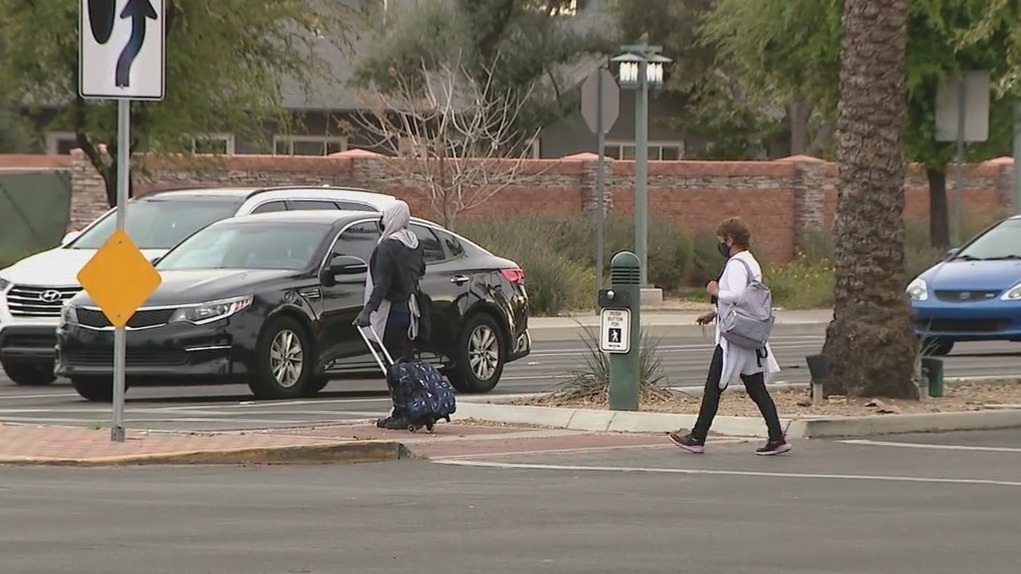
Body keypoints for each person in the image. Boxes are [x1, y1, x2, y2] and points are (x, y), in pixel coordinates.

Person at [668, 217, 792, 456]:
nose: (720, 245)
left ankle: (697, 437)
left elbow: (735, 296)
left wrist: (716, 292)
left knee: (713, 387)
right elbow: (748, 300)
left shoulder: (736, 264)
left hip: (733, 339)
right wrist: (714, 312)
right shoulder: (751, 262)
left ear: (729, 239)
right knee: (757, 389)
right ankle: (776, 436)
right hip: (748, 337)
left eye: (721, 240)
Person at [353, 200, 427, 427]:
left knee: (394, 366)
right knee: (405, 362)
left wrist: (368, 310)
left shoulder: (387, 247)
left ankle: (403, 412)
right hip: (411, 312)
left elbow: (382, 284)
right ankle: (408, 409)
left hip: (391, 312)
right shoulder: (414, 244)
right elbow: (421, 270)